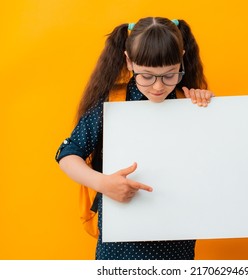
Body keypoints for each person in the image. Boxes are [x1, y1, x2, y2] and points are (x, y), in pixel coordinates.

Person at [55, 16, 214, 260]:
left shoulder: (187, 101)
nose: (158, 87)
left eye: (170, 75)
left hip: (177, 240)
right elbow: (66, 154)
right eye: (147, 76)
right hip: (121, 243)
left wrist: (205, 108)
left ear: (181, 57)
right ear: (129, 62)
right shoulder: (111, 103)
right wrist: (102, 183)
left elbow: (212, 161)